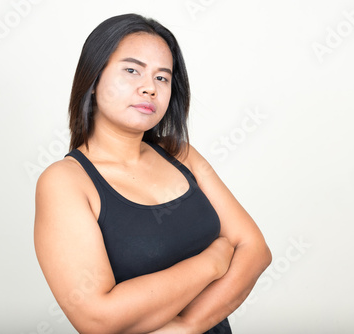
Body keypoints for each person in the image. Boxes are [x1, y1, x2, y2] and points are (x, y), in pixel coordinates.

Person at [34, 13, 271, 334]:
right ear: (93, 79)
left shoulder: (180, 153)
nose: (149, 88)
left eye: (162, 77)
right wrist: (210, 263)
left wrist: (188, 326)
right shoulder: (65, 181)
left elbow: (255, 250)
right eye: (132, 71)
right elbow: (97, 318)